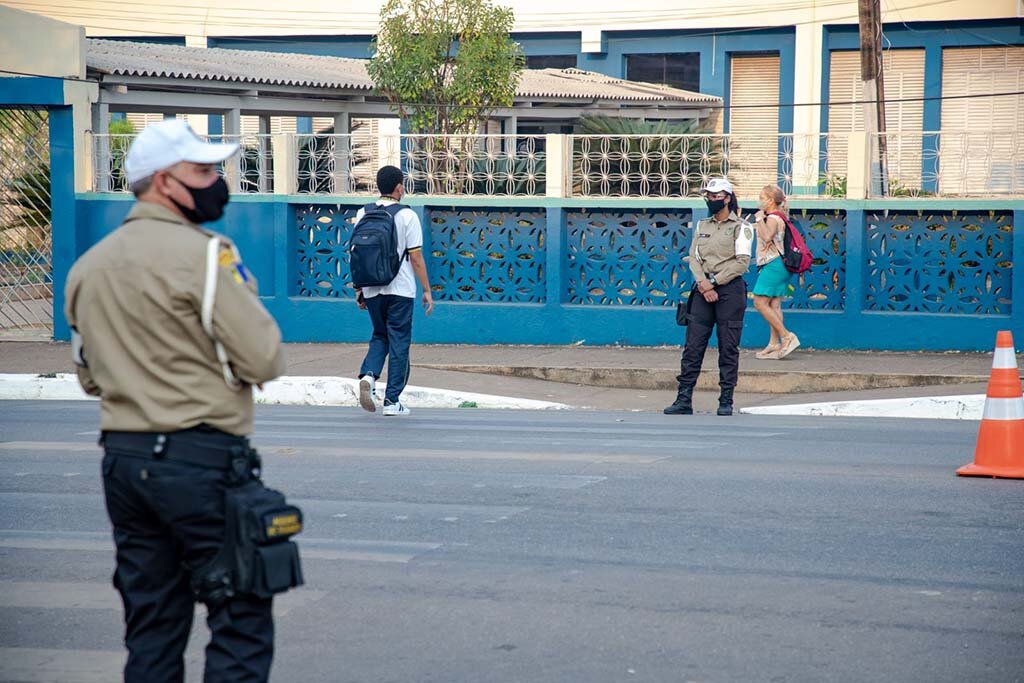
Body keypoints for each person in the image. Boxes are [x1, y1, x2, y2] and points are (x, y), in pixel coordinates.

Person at [64, 119, 286, 682]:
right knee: (239, 618)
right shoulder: (209, 256)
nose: (218, 182)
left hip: (125, 463)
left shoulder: (89, 267)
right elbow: (263, 359)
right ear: (164, 181)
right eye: (204, 171)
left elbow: (89, 374)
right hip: (203, 463)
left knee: (152, 630)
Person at [665, 177, 753, 417]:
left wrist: (714, 282)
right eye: (710, 196)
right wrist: (704, 284)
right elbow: (694, 257)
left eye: (717, 196)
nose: (712, 200)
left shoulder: (741, 227)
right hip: (702, 289)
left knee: (728, 347)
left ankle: (726, 400)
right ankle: (684, 399)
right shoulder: (703, 225)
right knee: (692, 347)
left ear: (727, 198)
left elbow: (742, 262)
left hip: (729, 291)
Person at [355, 165, 433, 416]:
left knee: (380, 335)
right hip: (400, 289)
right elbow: (416, 258)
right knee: (399, 341)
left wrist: (359, 289)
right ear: (399, 187)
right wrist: (427, 290)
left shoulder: (362, 213)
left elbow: (356, 254)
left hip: (371, 288)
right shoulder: (407, 216)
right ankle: (392, 401)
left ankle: (369, 375)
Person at [752, 184, 800, 360]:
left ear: (770, 201)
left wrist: (758, 219)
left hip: (773, 264)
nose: (759, 201)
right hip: (781, 265)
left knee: (759, 302)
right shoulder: (780, 217)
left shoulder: (772, 218)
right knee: (774, 304)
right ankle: (774, 343)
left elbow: (766, 237)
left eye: (762, 197)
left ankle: (787, 336)